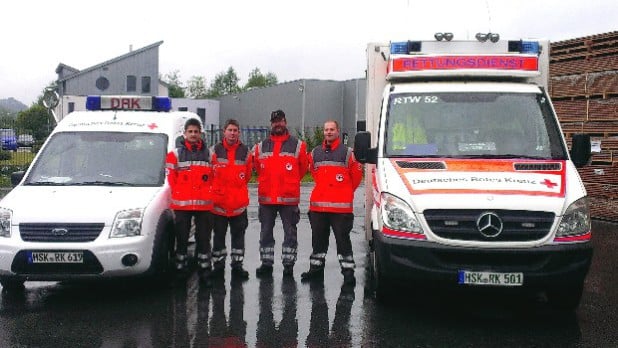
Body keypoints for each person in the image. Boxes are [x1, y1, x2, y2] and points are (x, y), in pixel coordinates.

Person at [300, 120, 363, 285]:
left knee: (343, 243)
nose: (328, 132)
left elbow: (356, 177)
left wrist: (343, 193)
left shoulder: (348, 153)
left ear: (337, 131)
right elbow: (313, 172)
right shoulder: (315, 153)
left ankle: (348, 274)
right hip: (318, 208)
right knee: (318, 242)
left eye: (332, 129)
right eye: (326, 129)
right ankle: (315, 270)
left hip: (340, 210)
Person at [253, 109, 308, 278]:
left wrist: (289, 182)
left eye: (281, 120)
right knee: (265, 232)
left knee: (290, 233)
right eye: (275, 121)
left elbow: (303, 168)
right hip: (267, 199)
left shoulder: (298, 145)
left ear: (285, 122)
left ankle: (288, 265)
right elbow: (256, 168)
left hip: (288, 199)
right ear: (271, 124)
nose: (278, 124)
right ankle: (266, 264)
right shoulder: (261, 146)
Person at [165, 118, 214, 286]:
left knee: (204, 240)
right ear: (184, 134)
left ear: (200, 134)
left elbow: (215, 177)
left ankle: (205, 272)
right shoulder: (175, 155)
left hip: (204, 205)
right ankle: (180, 272)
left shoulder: (209, 154)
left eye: (196, 131)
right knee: (182, 240)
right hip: (182, 206)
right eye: (190, 131)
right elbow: (171, 178)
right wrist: (179, 194)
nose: (193, 134)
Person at [209, 119, 252, 280]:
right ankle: (218, 267)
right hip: (218, 206)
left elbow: (247, 176)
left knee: (238, 238)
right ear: (224, 132)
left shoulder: (246, 152)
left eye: (235, 130)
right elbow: (209, 175)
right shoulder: (214, 151)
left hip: (238, 205)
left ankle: (237, 266)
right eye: (230, 130)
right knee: (218, 238)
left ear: (239, 133)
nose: (232, 133)